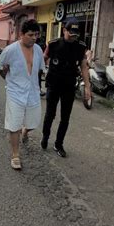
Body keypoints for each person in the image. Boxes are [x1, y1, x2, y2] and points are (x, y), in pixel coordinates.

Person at [0, 19, 45, 170]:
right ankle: (15, 155)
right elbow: (1, 67)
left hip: (32, 92)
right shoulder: (10, 50)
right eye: (30, 34)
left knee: (33, 122)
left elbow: (38, 70)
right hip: (15, 92)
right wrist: (9, 80)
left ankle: (25, 132)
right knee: (14, 125)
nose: (34, 37)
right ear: (21, 34)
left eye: (36, 34)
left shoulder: (38, 49)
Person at [41, 18, 91, 157]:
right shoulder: (53, 44)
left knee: (65, 117)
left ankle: (59, 144)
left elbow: (84, 67)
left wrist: (87, 87)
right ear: (64, 30)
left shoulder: (80, 46)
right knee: (50, 115)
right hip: (53, 84)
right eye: (70, 33)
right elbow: (43, 59)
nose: (73, 37)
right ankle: (45, 137)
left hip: (69, 86)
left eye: (75, 34)